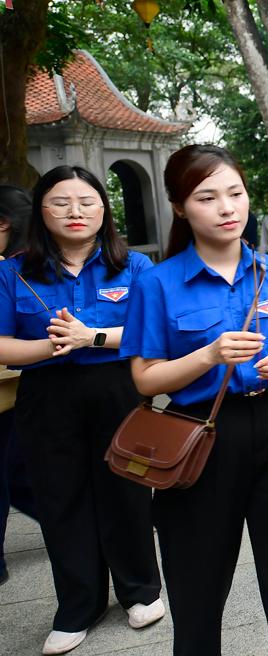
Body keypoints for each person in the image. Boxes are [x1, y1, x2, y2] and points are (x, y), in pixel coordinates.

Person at [120, 145, 268, 656]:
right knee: (197, 574)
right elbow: (146, 380)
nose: (227, 208)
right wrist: (209, 354)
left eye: (235, 193)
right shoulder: (157, 283)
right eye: (207, 197)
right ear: (179, 207)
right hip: (199, 434)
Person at [0, 167, 164, 655]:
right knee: (60, 498)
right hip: (46, 394)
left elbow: (152, 331)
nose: (75, 212)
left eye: (87, 202)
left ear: (103, 209)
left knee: (126, 489)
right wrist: (51, 347)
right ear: (40, 211)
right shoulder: (12, 272)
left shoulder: (133, 266)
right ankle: (78, 605)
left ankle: (141, 590)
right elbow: (3, 344)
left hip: (117, 389)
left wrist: (89, 336)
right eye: (60, 203)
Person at [0, 185, 37, 589]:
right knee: (16, 467)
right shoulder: (21, 267)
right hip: (16, 386)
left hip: (12, 386)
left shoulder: (10, 271)